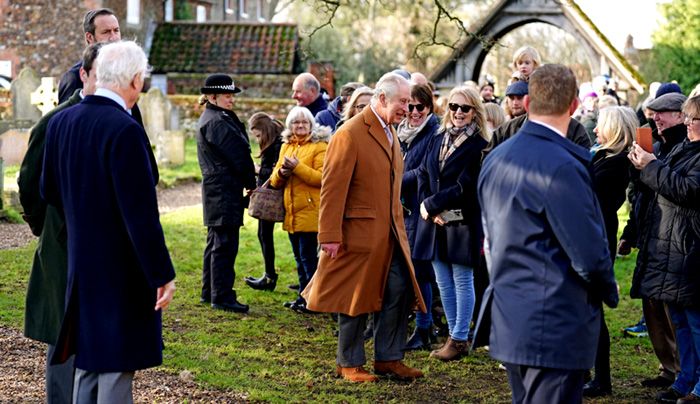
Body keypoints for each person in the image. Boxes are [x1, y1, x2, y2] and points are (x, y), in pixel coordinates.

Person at [40, 40, 176, 402]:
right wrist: (160, 273)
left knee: (87, 363)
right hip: (121, 269)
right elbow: (140, 215)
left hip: (79, 262)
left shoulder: (61, 122)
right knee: (115, 367)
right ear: (134, 81)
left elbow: (48, 191)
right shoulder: (125, 130)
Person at [478, 64, 619, 403]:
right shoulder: (563, 166)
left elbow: (489, 241)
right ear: (573, 107)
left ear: (526, 104)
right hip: (554, 320)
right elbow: (587, 253)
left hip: (511, 312)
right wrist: (608, 289)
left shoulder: (496, 158)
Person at [302, 72, 426, 383]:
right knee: (353, 297)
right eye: (402, 102)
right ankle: (349, 364)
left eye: (410, 102)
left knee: (398, 290)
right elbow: (332, 188)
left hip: (390, 234)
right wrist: (329, 235)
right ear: (382, 98)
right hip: (356, 235)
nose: (408, 109)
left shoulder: (390, 131)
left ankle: (389, 358)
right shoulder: (350, 133)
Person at [17, 42, 102, 404]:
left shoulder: (120, 116)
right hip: (62, 241)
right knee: (62, 327)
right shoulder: (55, 121)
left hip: (103, 246)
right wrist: (46, 228)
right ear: (84, 75)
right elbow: (31, 182)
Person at [628, 95, 700, 404]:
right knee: (681, 320)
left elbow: (688, 190)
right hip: (671, 247)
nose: (686, 123)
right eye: (685, 117)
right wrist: (642, 164)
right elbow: (661, 183)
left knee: (696, 322)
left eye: (691, 119)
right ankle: (686, 378)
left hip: (691, 248)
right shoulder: (684, 148)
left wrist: (653, 166)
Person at [413, 87, 488, 361]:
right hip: (433, 222)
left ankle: (459, 338)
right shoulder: (437, 138)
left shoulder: (480, 146)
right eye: (454, 106)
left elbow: (465, 186)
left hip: (462, 221)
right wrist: (427, 206)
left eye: (465, 108)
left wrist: (432, 204)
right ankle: (454, 337)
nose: (458, 112)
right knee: (442, 281)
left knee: (462, 278)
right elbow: (423, 173)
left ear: (475, 112)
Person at [583, 106, 637, 397]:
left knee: (592, 310)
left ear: (614, 129)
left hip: (597, 236)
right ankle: (586, 371)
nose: (594, 130)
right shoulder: (603, 157)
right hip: (592, 233)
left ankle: (601, 378)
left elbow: (590, 196)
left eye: (600, 126)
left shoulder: (616, 163)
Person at [197, 74, 256, 313]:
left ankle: (209, 291)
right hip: (223, 188)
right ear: (213, 97)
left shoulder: (214, 117)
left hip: (219, 187)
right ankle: (221, 295)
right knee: (224, 243)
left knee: (216, 241)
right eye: (227, 96)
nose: (231, 100)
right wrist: (250, 181)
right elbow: (238, 155)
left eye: (232, 96)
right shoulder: (217, 121)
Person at [268, 106, 330, 312]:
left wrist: (297, 167)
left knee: (308, 259)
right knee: (299, 258)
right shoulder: (286, 146)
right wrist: (283, 172)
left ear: (311, 124)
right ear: (290, 126)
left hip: (311, 211)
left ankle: (313, 301)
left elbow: (323, 178)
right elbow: (275, 181)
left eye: (304, 122)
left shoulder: (320, 146)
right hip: (292, 211)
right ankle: (303, 297)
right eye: (296, 122)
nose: (300, 125)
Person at [397, 83, 440, 351]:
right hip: (401, 207)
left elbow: (424, 169)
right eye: (409, 106)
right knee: (406, 268)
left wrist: (394, 182)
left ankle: (424, 328)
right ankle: (413, 324)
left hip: (418, 206)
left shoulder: (433, 133)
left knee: (420, 270)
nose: (413, 112)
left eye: (419, 107)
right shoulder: (401, 131)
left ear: (428, 106)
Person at [244, 112, 284, 291]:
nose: (257, 139)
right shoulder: (274, 141)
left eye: (258, 135)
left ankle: (269, 277)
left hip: (272, 196)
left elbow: (274, 171)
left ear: (265, 131)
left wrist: (257, 170)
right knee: (263, 234)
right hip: (269, 192)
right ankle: (269, 275)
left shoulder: (276, 144)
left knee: (265, 235)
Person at [57, 8, 120, 104]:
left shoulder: (124, 72)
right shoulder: (73, 78)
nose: (113, 37)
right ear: (90, 37)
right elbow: (67, 117)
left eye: (116, 30)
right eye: (106, 32)